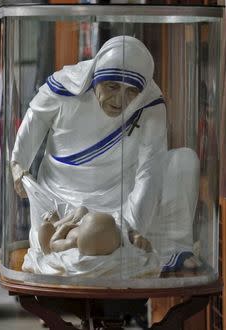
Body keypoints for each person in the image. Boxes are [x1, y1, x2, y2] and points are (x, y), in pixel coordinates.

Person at [11, 36, 200, 276]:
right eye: (112, 87)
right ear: (95, 77)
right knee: (67, 240)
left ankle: (172, 250)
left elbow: (148, 172)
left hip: (122, 197)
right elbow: (33, 121)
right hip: (60, 197)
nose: (120, 101)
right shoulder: (65, 85)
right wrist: (18, 166)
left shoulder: (149, 104)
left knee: (184, 161)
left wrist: (130, 228)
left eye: (131, 92)